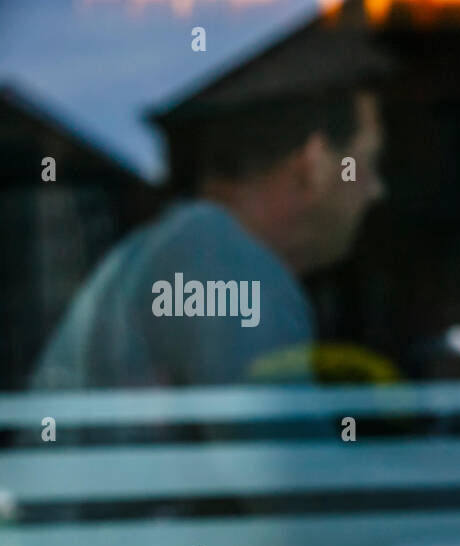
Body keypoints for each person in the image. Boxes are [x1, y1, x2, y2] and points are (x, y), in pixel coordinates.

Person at [30, 86, 385, 389]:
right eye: (367, 161)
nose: (375, 190)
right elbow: (277, 463)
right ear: (316, 162)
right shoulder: (221, 261)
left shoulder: (192, 247)